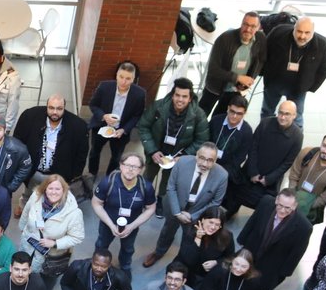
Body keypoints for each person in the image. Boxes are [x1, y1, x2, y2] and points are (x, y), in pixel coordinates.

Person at [143, 142, 228, 268]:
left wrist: (193, 216)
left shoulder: (222, 175)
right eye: (202, 158)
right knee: (167, 230)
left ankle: (182, 261)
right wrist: (177, 212)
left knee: (190, 238)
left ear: (215, 160)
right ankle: (159, 252)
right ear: (196, 155)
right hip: (174, 206)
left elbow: (215, 202)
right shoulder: (182, 163)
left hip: (197, 214)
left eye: (210, 160)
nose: (205, 164)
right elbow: (171, 187)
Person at [138, 78, 209, 208]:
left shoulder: (198, 115)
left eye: (184, 96)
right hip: (156, 151)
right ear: (172, 95)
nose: (180, 99)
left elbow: (201, 140)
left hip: (178, 155)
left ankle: (161, 202)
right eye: (177, 95)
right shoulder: (158, 107)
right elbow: (143, 127)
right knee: (147, 177)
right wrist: (152, 150)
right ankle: (140, 197)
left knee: (169, 182)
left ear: (190, 98)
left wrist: (184, 156)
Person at [224, 101, 303, 217]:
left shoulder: (297, 135)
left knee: (267, 206)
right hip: (251, 171)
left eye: (287, 114)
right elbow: (253, 147)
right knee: (234, 192)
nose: (282, 117)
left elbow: (287, 163)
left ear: (294, 115)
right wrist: (253, 172)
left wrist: (268, 179)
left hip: (271, 179)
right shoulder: (266, 123)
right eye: (280, 113)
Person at [237, 189, 314, 290]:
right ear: (276, 200)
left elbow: (297, 252)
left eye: (287, 208)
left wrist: (283, 273)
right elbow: (253, 221)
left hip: (272, 265)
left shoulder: (304, 227)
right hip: (252, 250)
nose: (282, 210)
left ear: (295, 206)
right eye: (280, 205)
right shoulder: (266, 202)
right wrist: (242, 239)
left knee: (260, 288)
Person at [91, 154, 157, 274]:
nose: (131, 170)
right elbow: (96, 203)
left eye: (135, 167)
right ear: (121, 166)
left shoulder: (146, 187)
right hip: (108, 222)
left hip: (131, 225)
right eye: (127, 165)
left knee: (128, 248)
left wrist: (132, 226)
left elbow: (151, 208)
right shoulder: (108, 182)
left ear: (141, 169)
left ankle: (125, 267)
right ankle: (98, 265)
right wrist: (111, 225)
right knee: (101, 244)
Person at [14, 94, 90, 198]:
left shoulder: (77, 126)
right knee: (29, 192)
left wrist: (73, 176)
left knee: (51, 198)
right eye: (51, 108)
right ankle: (24, 204)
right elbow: (18, 142)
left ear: (64, 108)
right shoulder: (30, 117)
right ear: (47, 106)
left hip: (56, 176)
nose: (55, 112)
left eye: (59, 109)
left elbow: (81, 155)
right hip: (34, 172)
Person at [260, 17, 326, 126]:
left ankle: (295, 141)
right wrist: (264, 73)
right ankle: (264, 134)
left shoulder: (323, 44)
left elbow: (324, 68)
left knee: (296, 117)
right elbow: (264, 53)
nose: (302, 36)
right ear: (294, 28)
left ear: (313, 31)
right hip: (274, 82)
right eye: (299, 31)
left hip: (298, 87)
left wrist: (310, 87)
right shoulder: (278, 32)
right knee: (267, 111)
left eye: (307, 33)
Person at [17, 174, 84, 290]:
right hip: (29, 244)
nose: (54, 192)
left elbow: (77, 237)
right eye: (50, 188)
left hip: (50, 255)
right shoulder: (36, 197)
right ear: (44, 189)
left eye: (57, 189)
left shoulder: (74, 213)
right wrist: (22, 227)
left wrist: (55, 243)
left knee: (43, 284)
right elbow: (27, 211)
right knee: (23, 270)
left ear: (64, 190)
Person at [198, 11, 267, 118]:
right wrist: (238, 78)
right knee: (200, 116)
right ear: (241, 23)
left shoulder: (261, 39)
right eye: (246, 24)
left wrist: (248, 80)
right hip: (215, 87)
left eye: (253, 26)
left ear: (258, 27)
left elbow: (260, 60)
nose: (248, 29)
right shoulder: (225, 39)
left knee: (219, 118)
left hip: (235, 90)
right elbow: (213, 69)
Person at [85, 60, 146, 179]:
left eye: (128, 78)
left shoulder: (139, 94)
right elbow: (93, 105)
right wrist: (103, 116)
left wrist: (124, 129)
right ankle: (92, 175)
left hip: (120, 131)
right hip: (101, 126)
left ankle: (110, 178)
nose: (123, 81)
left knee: (117, 157)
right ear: (116, 75)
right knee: (94, 152)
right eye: (121, 77)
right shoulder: (104, 87)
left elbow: (137, 115)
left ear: (133, 79)